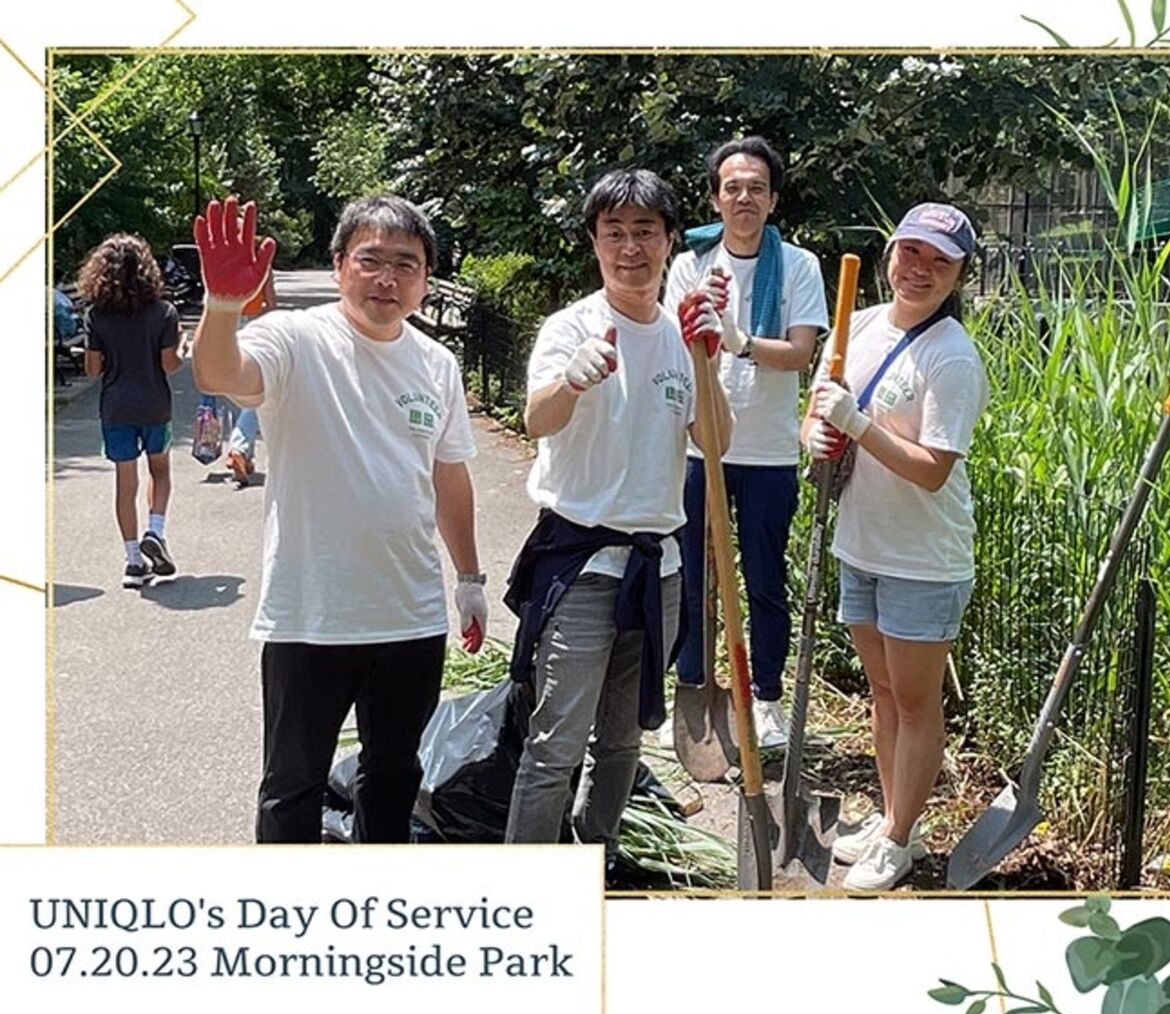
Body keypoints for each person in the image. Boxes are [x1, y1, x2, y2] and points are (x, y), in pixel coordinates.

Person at [190, 193, 489, 843]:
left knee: (393, 774)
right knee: (292, 783)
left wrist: (469, 579)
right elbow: (219, 371)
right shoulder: (294, 339)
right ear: (338, 266)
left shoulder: (435, 364)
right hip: (310, 614)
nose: (387, 278)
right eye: (370, 259)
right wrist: (222, 305)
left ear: (425, 279)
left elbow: (449, 473)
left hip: (408, 614)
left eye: (405, 265)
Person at [504, 169, 731, 849]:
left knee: (625, 741)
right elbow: (536, 419)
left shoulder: (682, 335)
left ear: (668, 243)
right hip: (581, 564)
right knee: (555, 745)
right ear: (594, 242)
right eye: (614, 233)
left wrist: (709, 364)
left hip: (658, 566)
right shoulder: (570, 326)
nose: (629, 247)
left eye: (644, 232)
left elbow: (714, 443)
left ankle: (596, 852)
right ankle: (532, 881)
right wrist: (571, 381)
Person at [801, 203, 989, 891]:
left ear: (960, 274)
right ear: (890, 254)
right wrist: (818, 432)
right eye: (911, 252)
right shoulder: (857, 326)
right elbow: (817, 413)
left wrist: (859, 422)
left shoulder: (952, 357)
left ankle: (902, 836)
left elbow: (934, 468)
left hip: (922, 557)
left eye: (939, 260)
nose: (919, 269)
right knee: (881, 692)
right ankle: (889, 819)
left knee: (915, 700)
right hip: (862, 542)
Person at [662, 137, 829, 747]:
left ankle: (764, 698)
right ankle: (693, 691)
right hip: (701, 447)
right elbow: (675, 347)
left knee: (763, 579)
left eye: (756, 188)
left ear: (773, 199)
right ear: (716, 197)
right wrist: (702, 331)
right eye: (732, 187)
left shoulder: (800, 267)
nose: (744, 198)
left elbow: (801, 354)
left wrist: (736, 339)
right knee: (695, 577)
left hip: (768, 452)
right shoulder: (691, 263)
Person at [78, 233, 183, 588]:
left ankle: (133, 560)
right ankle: (156, 529)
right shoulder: (164, 313)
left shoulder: (97, 315)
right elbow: (170, 365)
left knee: (126, 482)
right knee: (161, 470)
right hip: (155, 404)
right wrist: (182, 347)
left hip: (116, 407)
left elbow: (93, 370)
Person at [226, 269, 278, 486]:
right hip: (255, 322)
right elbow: (271, 302)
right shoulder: (262, 265)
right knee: (257, 390)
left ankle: (244, 456)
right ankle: (240, 447)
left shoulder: (228, 261)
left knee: (237, 385)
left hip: (230, 322)